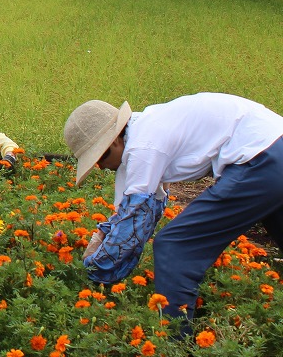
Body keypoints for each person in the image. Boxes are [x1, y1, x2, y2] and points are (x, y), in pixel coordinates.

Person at [63, 93, 283, 320]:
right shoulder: (142, 131)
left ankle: (176, 343)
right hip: (273, 147)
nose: (101, 166)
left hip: (260, 159)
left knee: (174, 247)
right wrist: (102, 237)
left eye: (100, 157)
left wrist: (93, 272)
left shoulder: (143, 146)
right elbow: (125, 214)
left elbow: (134, 221)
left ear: (115, 140)